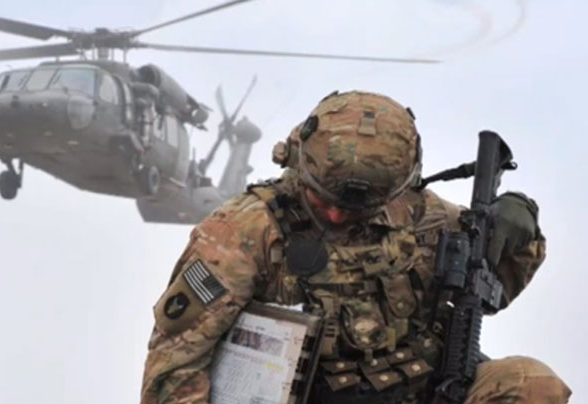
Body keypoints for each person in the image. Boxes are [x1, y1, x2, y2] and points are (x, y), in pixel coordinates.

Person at [140, 91, 571, 403]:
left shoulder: (425, 216)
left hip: (423, 390)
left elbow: (495, 286)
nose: (334, 216)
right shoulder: (242, 233)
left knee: (532, 384)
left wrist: (520, 224)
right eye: (322, 199)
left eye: (355, 209)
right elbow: (175, 365)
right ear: (298, 163)